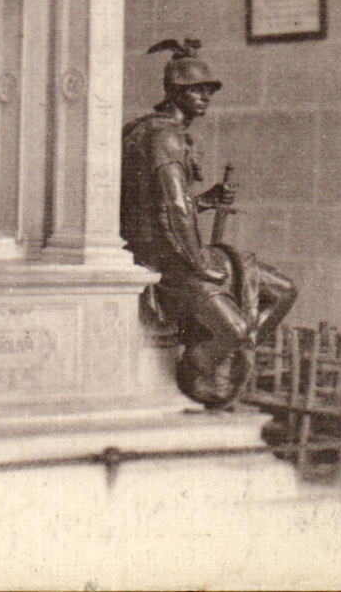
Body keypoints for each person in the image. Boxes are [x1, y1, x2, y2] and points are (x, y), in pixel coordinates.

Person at [120, 38, 296, 408]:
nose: (204, 98)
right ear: (175, 91)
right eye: (195, 90)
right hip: (170, 263)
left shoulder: (166, 133)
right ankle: (195, 373)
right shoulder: (163, 136)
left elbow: (177, 204)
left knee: (282, 292)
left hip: (185, 253)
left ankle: (224, 353)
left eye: (207, 91)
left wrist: (207, 200)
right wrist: (200, 264)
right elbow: (173, 210)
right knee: (235, 329)